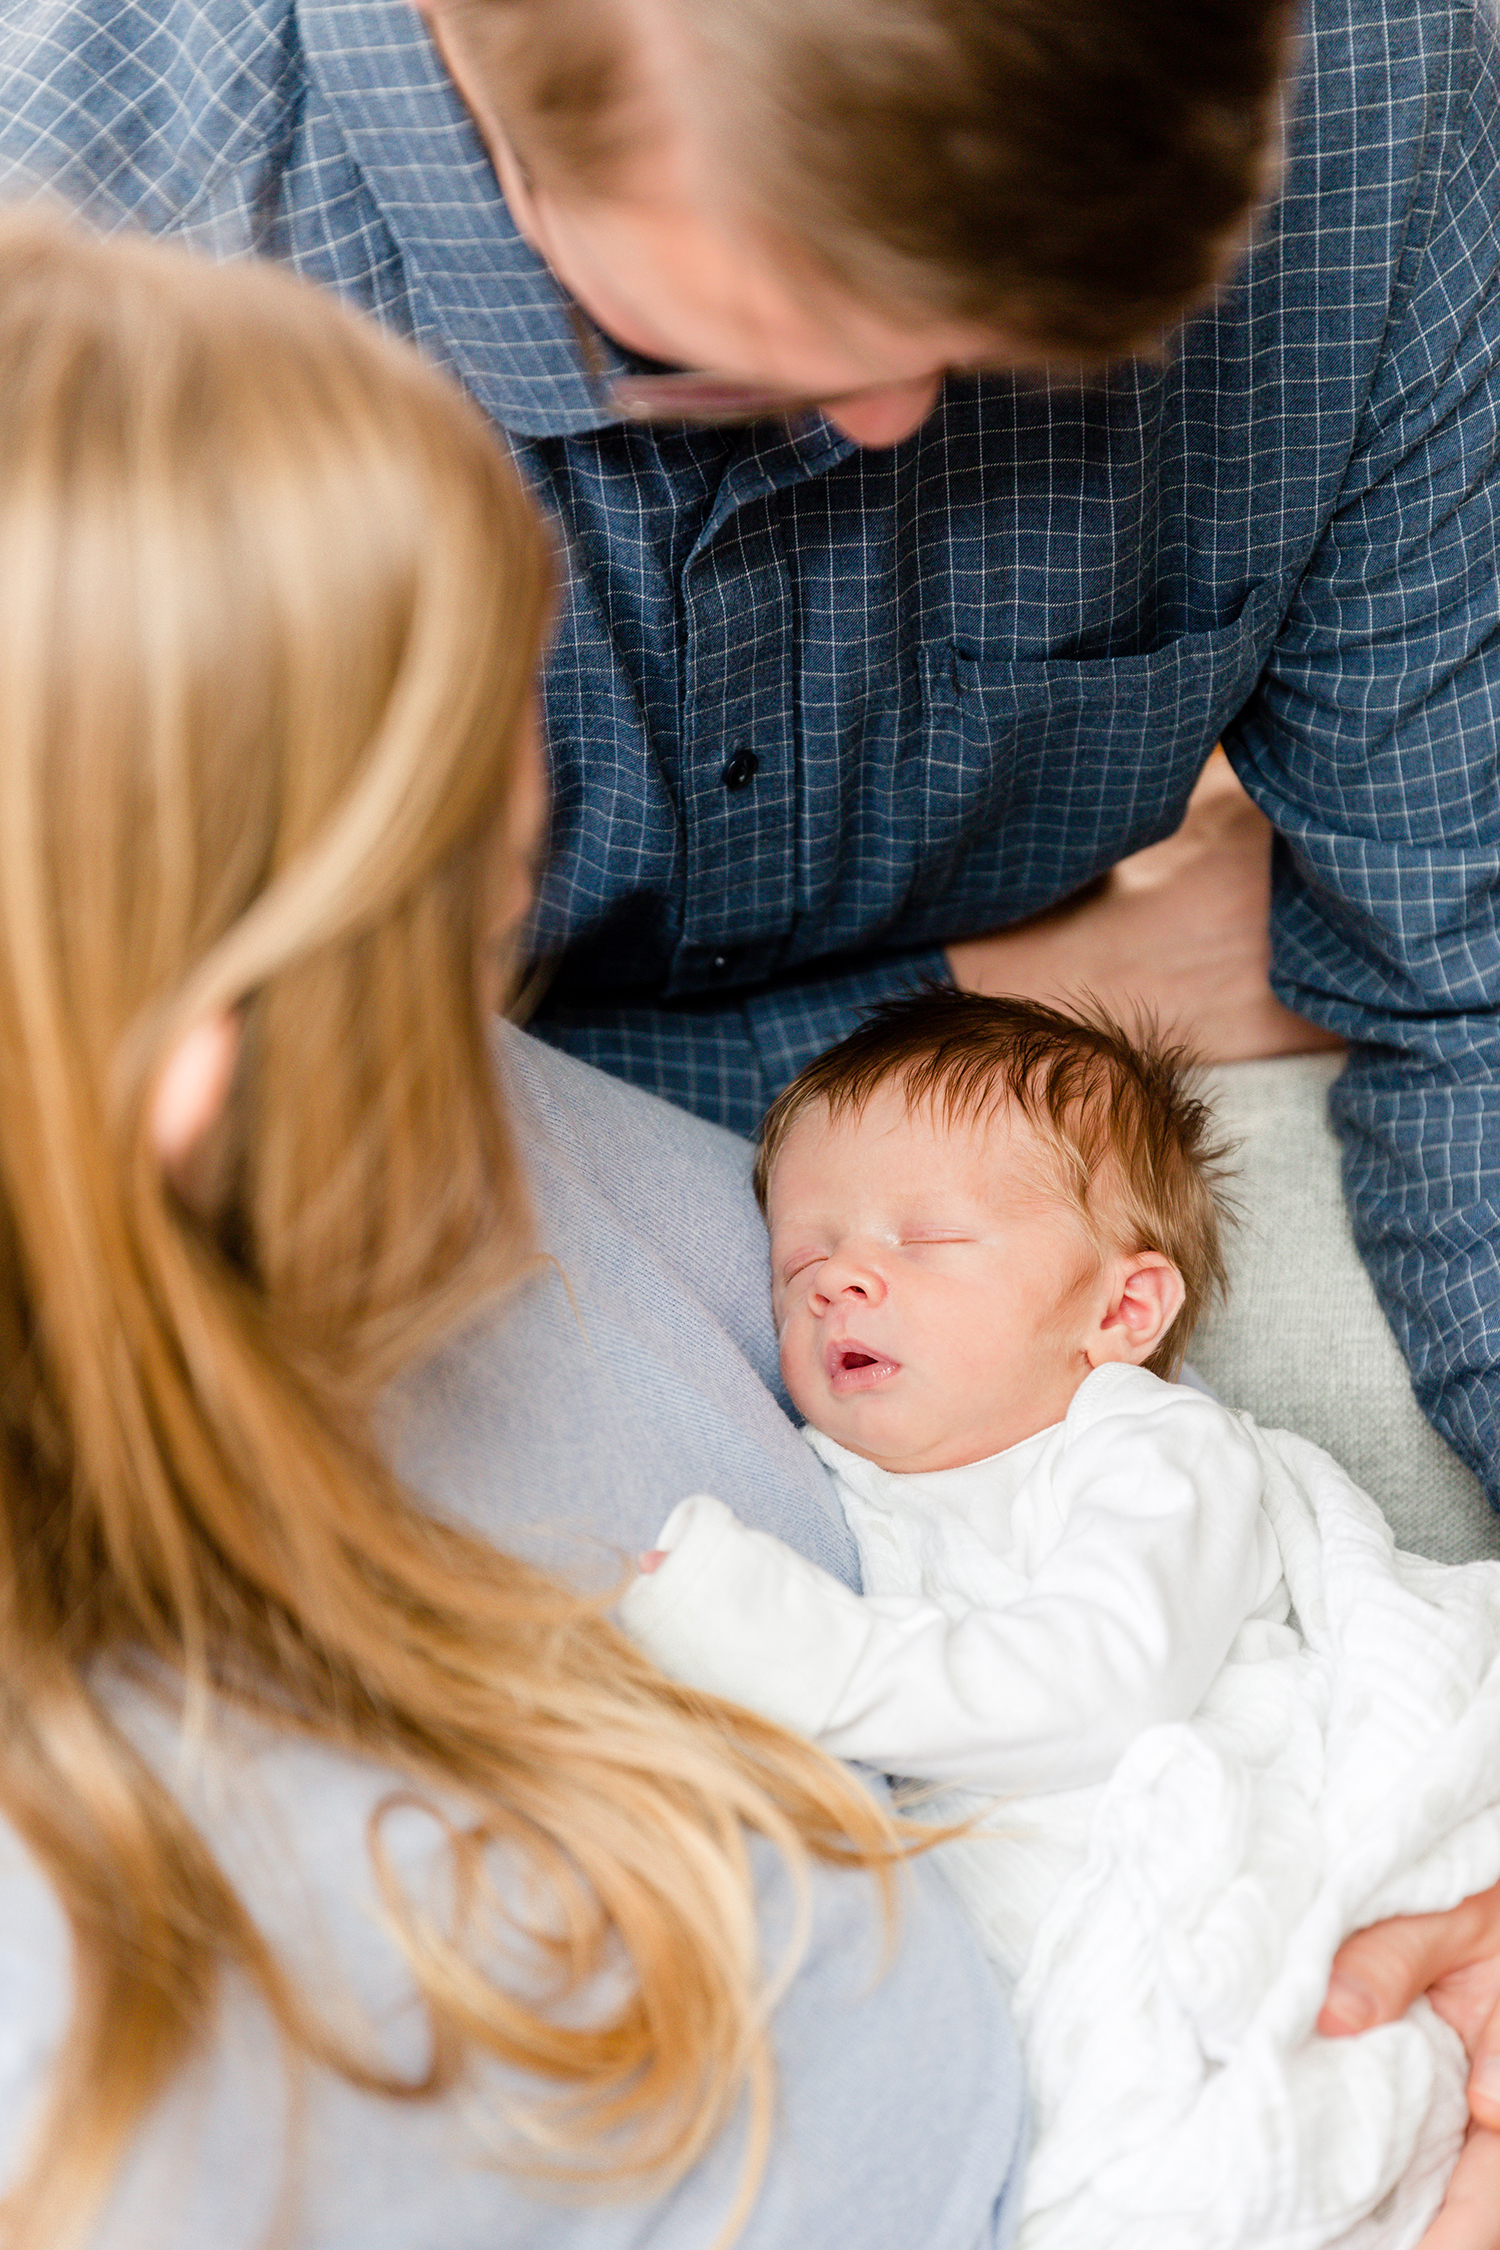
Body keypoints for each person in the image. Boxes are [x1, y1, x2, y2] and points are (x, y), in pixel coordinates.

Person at [0, 211, 1027, 2250]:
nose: (540, 905)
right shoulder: (165, 2032)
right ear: (209, 1088)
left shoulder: (554, 1174)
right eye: (482, 896)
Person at [619, 991, 1500, 2245]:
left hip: (1209, 1850)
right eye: (802, 1259)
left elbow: (1112, 1684)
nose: (840, 1282)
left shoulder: (1146, 1450)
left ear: (1120, 1314)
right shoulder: (845, 1480)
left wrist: (789, 1650)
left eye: (925, 1240)